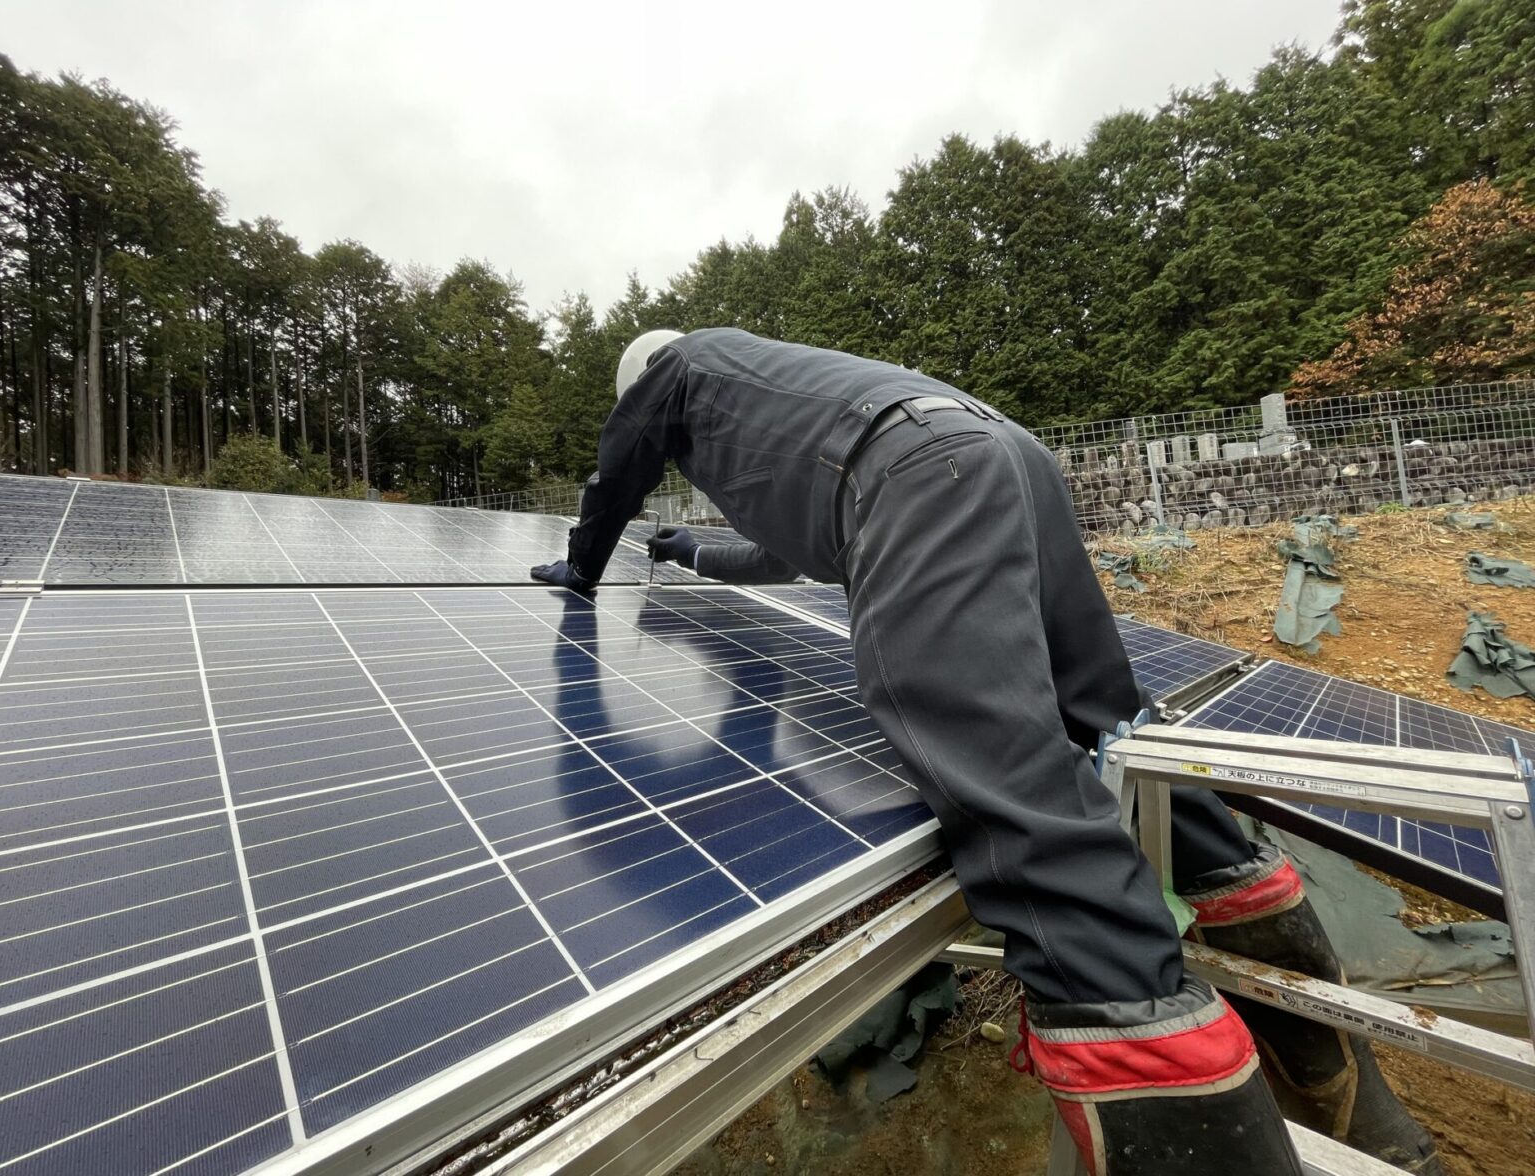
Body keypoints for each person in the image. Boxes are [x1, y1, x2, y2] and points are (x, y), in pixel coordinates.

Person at [532, 328, 1442, 1176]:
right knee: (1101, 718)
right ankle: (1326, 1052)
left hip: (913, 475)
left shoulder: (679, 369)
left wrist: (583, 564)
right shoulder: (776, 404)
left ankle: (1148, 1053)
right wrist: (692, 550)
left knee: (1005, 783)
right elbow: (789, 554)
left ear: (647, 390)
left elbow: (618, 469)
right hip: (1003, 454)